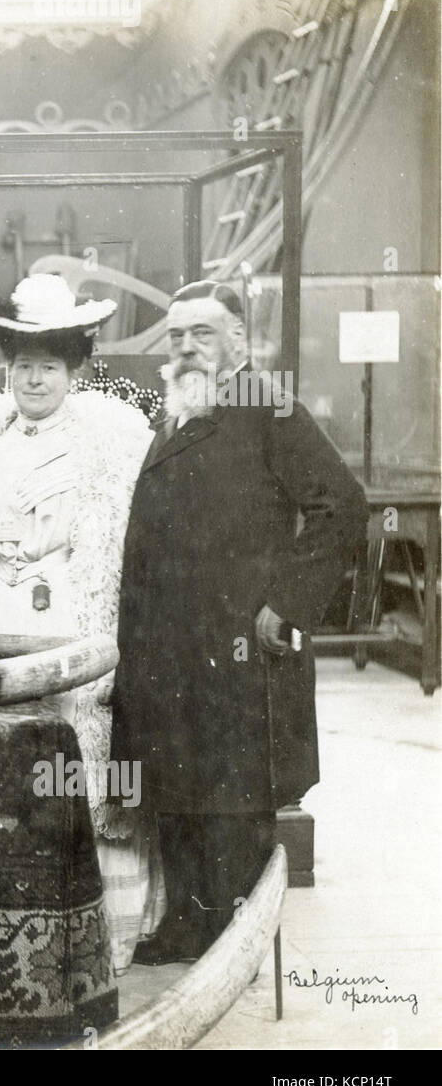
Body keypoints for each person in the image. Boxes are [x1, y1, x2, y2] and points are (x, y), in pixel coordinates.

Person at [112, 280, 367, 964]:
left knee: (232, 796)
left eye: (203, 332)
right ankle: (188, 927)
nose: (187, 346)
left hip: (239, 650)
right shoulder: (179, 411)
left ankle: (232, 943)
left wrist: (284, 606)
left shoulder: (265, 405)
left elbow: (342, 504)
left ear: (238, 341)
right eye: (177, 335)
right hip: (172, 648)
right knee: (179, 783)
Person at [0, 273, 166, 973]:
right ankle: (15, 932)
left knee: (83, 766)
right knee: (12, 764)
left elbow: (127, 547)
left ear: (73, 371)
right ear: (8, 370)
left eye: (48, 367)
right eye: (22, 366)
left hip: (74, 610)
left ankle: (103, 934)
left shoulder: (114, 445)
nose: (34, 379)